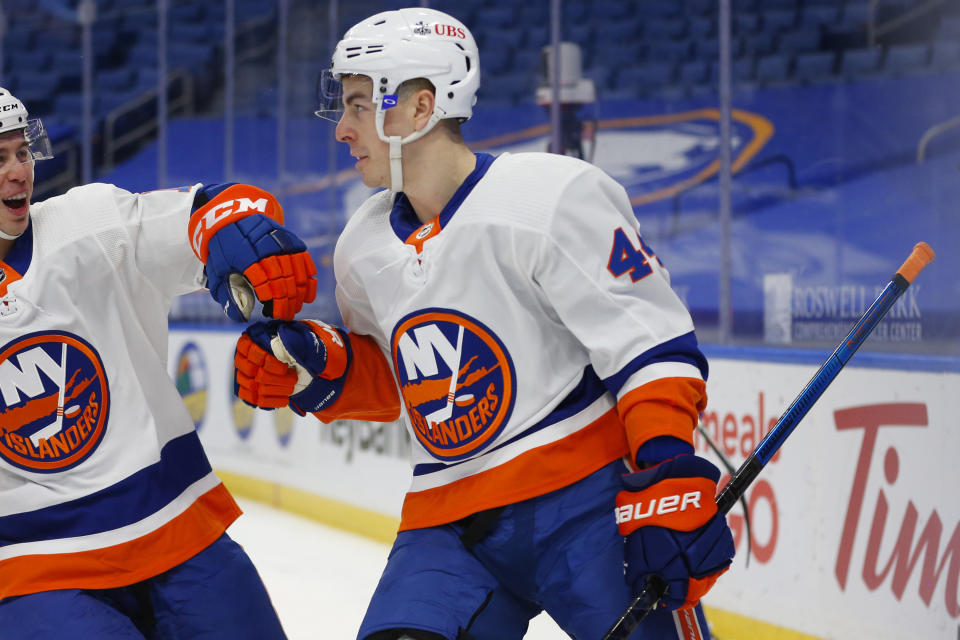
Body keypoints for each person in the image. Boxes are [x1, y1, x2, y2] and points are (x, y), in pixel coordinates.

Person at [234, 8, 735, 640]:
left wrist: (665, 467)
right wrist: (317, 363)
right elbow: (398, 378)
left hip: (587, 506)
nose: (342, 129)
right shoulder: (362, 243)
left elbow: (649, 343)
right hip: (450, 524)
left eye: (359, 105)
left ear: (421, 107)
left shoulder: (551, 197)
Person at [0, 86, 317, 639]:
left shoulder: (88, 225)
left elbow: (211, 211)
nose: (18, 172)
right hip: (32, 561)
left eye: (22, 152)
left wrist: (237, 230)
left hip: (175, 523)